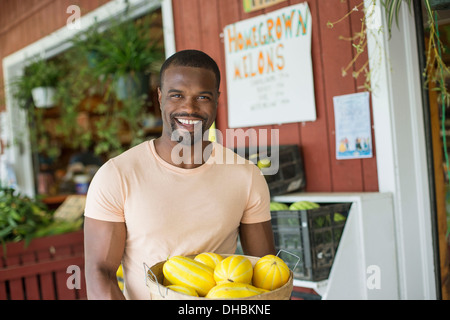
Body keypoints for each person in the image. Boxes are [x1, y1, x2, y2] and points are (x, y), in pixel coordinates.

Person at [83, 49, 275, 300]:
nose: (189, 108)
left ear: (217, 99)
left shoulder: (246, 176)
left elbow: (264, 271)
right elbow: (100, 273)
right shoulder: (117, 175)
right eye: (177, 95)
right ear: (160, 97)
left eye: (203, 97)